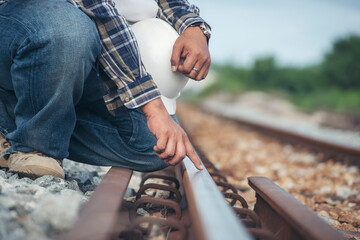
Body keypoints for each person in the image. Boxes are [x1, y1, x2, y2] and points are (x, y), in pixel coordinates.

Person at [0, 0, 211, 179]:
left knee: (159, 146)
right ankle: (36, 145)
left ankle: (12, 125)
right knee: (69, 31)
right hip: (28, 29)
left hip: (98, 61)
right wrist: (153, 106)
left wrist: (194, 28)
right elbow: (98, 10)